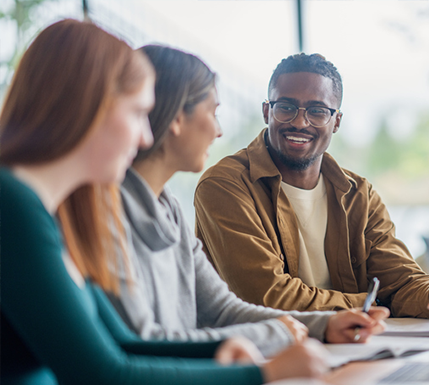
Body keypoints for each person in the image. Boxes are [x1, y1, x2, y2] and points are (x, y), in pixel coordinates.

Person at [1, 20, 329, 385]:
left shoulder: (51, 209)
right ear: (89, 108)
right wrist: (261, 373)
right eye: (138, 113)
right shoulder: (12, 206)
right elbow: (101, 373)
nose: (144, 136)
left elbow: (122, 345)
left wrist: (220, 351)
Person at [112, 44, 388, 362]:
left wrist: (324, 323)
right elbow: (147, 346)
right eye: (213, 114)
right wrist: (283, 334)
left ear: (335, 121)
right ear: (176, 118)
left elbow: (221, 309)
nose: (219, 131)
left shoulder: (169, 208)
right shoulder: (108, 212)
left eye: (317, 111)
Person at [194, 53, 429, 318]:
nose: (299, 122)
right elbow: (268, 297)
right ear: (266, 111)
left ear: (336, 121)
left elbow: (403, 283)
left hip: (355, 347)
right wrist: (370, 305)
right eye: (285, 107)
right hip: (263, 352)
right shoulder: (225, 185)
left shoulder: (359, 195)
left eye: (317, 111)